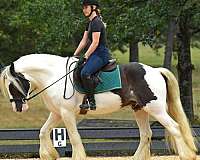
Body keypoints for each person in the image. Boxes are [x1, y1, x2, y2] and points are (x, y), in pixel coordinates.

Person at [73, 0, 110, 110]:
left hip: (101, 54)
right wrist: (74, 55)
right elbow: (83, 41)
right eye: (83, 8)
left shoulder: (97, 22)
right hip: (94, 53)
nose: (84, 10)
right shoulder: (89, 23)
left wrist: (85, 56)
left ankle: (91, 102)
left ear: (93, 7)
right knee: (77, 69)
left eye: (86, 7)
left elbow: (95, 42)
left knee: (85, 73)